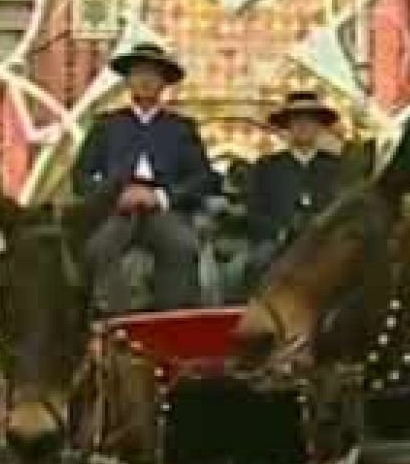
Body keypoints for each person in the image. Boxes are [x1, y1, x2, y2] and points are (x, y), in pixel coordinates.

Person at [76, 41, 216, 312]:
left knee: (183, 247)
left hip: (163, 209)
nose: (145, 81)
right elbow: (80, 176)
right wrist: (112, 196)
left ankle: (170, 320)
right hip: (115, 209)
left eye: (152, 75)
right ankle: (110, 320)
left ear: (164, 83)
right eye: (138, 74)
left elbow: (204, 178)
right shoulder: (106, 125)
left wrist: (161, 197)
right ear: (127, 81)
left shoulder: (181, 128)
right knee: (98, 248)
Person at [244, 91, 345, 280]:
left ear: (319, 127)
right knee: (256, 262)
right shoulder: (267, 166)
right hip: (278, 243)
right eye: (297, 121)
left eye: (310, 121)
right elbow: (253, 211)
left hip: (325, 244)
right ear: (287, 127)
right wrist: (279, 232)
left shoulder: (337, 167)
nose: (303, 126)